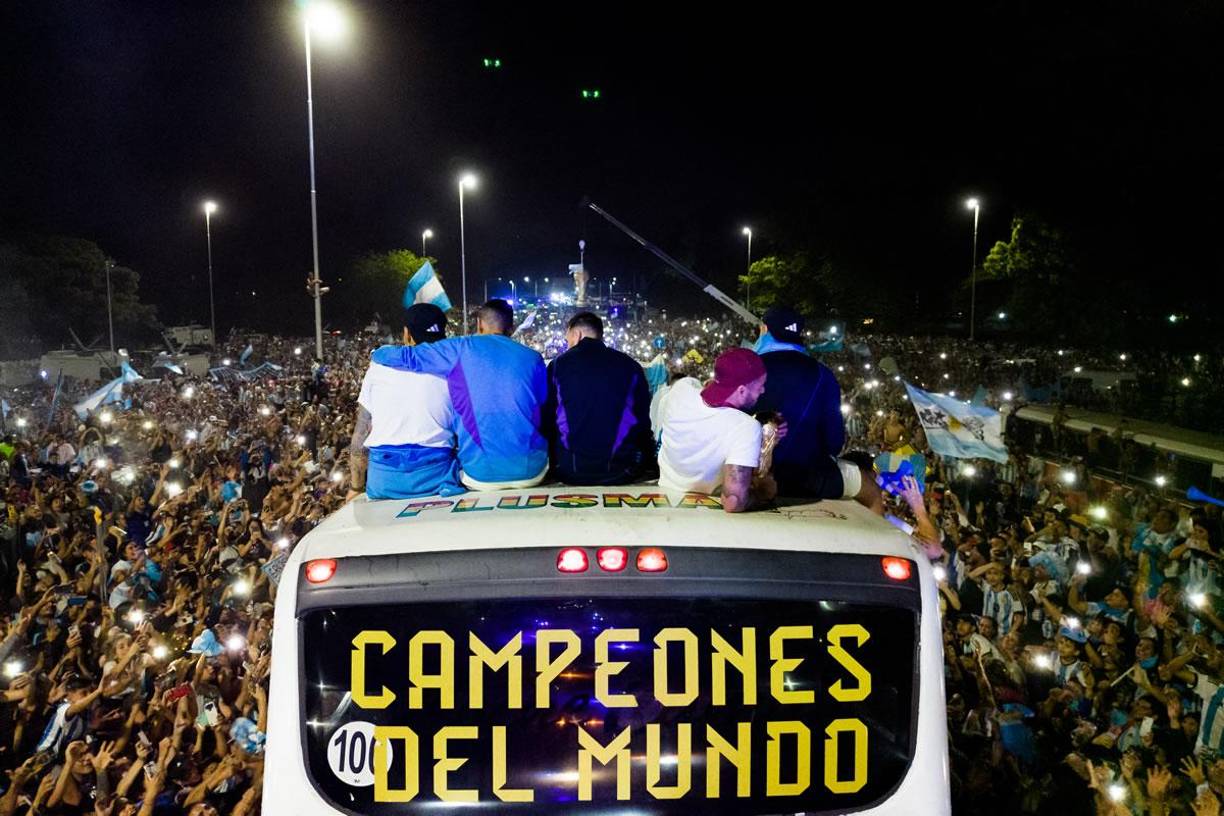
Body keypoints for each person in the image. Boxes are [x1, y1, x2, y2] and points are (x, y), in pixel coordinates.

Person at [370, 299, 548, 490]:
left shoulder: (459, 348)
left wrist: (378, 352)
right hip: (532, 472)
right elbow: (542, 407)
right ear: (511, 328)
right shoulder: (533, 358)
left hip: (480, 476)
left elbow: (408, 357)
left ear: (479, 324)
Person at [753, 305, 881, 511]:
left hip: (751, 474)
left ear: (764, 330)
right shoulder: (824, 375)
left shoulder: (748, 367)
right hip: (811, 477)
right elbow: (834, 442)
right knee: (872, 492)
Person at [348, 303, 461, 500]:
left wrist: (355, 488)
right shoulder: (454, 370)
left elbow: (361, 435)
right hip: (437, 480)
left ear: (407, 334)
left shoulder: (379, 367)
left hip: (383, 481)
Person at [657, 348, 781, 513]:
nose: (763, 391)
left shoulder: (681, 389)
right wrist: (764, 492)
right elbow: (733, 502)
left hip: (664, 496)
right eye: (759, 386)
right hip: (706, 510)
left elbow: (703, 388)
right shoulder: (745, 427)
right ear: (742, 390)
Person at [542, 311, 655, 485]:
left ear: (576, 334)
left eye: (567, 340)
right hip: (621, 470)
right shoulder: (631, 365)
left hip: (569, 470)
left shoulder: (558, 365)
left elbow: (548, 419)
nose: (567, 344)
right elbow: (642, 421)